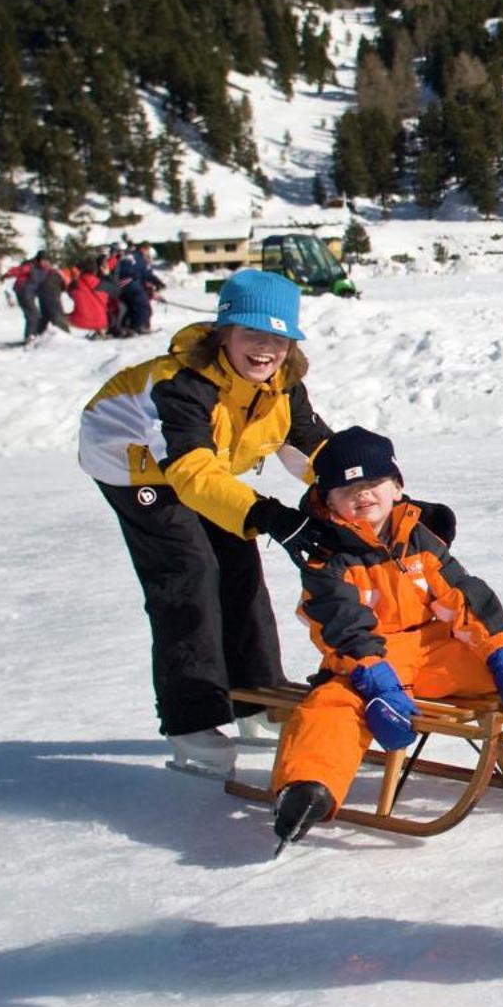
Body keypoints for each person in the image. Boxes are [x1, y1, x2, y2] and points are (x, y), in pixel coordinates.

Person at [268, 427, 503, 847]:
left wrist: (501, 648)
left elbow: (465, 596)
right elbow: (340, 624)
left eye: (372, 484)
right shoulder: (327, 555)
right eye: (348, 489)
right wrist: (372, 675)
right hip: (368, 663)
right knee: (333, 705)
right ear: (327, 501)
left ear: (397, 487)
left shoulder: (419, 538)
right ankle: (308, 785)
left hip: (435, 651)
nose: (362, 495)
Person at [80, 269, 339, 776]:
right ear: (225, 333)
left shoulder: (284, 384)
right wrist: (266, 513)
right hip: (131, 466)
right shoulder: (182, 385)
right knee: (188, 573)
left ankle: (257, 701)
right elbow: (191, 473)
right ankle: (190, 720)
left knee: (240, 567)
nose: (266, 349)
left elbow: (312, 447)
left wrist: (369, 487)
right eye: (252, 334)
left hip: (202, 467)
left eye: (278, 338)